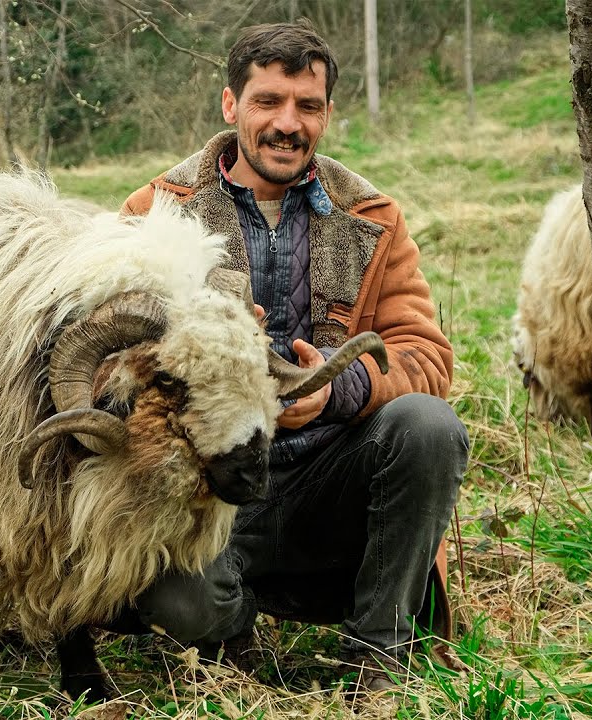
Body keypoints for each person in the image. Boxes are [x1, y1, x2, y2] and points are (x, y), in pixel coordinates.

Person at [118, 20, 469, 696]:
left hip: (330, 477)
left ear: (327, 113)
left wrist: (336, 391)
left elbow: (425, 355)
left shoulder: (372, 217)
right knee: (182, 604)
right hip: (205, 494)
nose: (288, 123)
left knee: (428, 426)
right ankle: (229, 624)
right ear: (231, 105)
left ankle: (380, 653)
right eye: (268, 102)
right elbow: (116, 361)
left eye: (307, 105)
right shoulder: (155, 211)